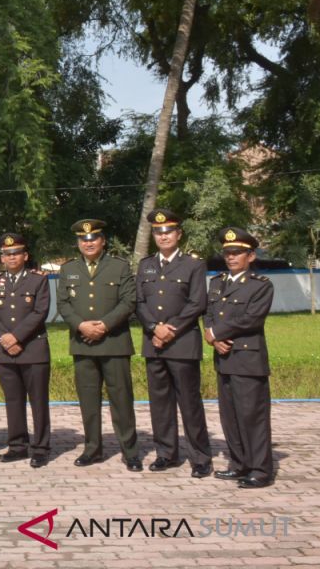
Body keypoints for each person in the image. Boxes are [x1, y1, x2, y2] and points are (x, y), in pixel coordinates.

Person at [57, 219, 141, 472]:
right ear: (78, 243)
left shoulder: (119, 266)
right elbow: (63, 304)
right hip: (83, 344)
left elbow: (129, 302)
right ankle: (92, 449)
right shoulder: (68, 269)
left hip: (114, 343)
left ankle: (131, 452)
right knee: (88, 402)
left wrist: (103, 325)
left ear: (103, 241)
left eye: (93, 238)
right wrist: (82, 326)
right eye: (84, 239)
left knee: (122, 400)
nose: (88, 242)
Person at [136, 209, 212, 478]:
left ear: (179, 234)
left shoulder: (193, 265)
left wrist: (171, 329)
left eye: (168, 231)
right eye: (158, 232)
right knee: (160, 403)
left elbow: (197, 303)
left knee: (189, 403)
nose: (163, 236)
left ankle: (201, 457)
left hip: (181, 342)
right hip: (153, 342)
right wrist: (154, 328)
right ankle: (166, 453)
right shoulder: (145, 265)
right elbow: (140, 302)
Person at [205, 227, 274, 488]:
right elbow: (209, 312)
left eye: (237, 253)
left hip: (248, 360)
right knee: (230, 416)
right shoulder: (217, 282)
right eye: (227, 253)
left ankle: (260, 470)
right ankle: (239, 464)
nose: (231, 257)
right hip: (224, 358)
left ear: (251, 256)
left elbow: (251, 319)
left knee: (252, 417)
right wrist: (212, 335)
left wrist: (215, 333)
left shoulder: (260, 286)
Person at [0, 233, 51, 468]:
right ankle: (17, 445)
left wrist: (16, 336)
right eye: (6, 254)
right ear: (2, 258)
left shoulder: (38, 280)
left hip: (33, 348)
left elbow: (40, 312)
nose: (11, 257)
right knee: (13, 401)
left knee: (38, 401)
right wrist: (5, 337)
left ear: (25, 255)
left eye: (16, 253)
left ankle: (41, 448)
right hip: (6, 350)